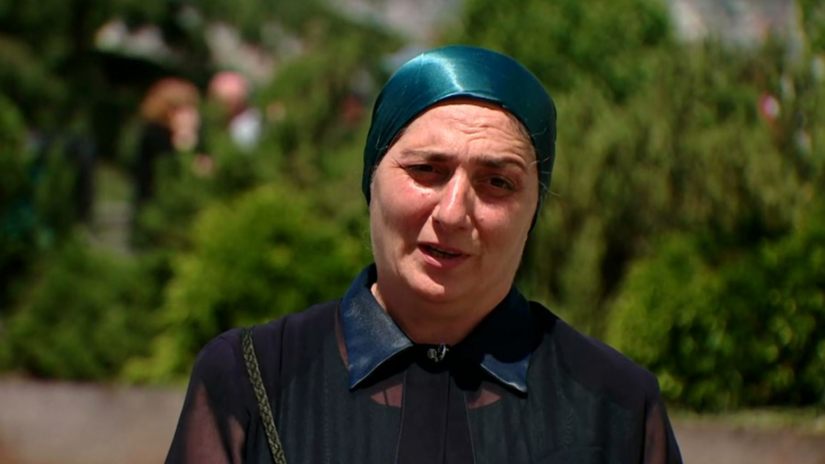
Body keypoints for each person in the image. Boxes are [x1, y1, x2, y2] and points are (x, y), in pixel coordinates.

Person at [166, 45, 682, 464]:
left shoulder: (613, 405)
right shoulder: (253, 380)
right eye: (427, 171)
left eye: (497, 182)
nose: (453, 212)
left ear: (534, 210)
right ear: (371, 178)